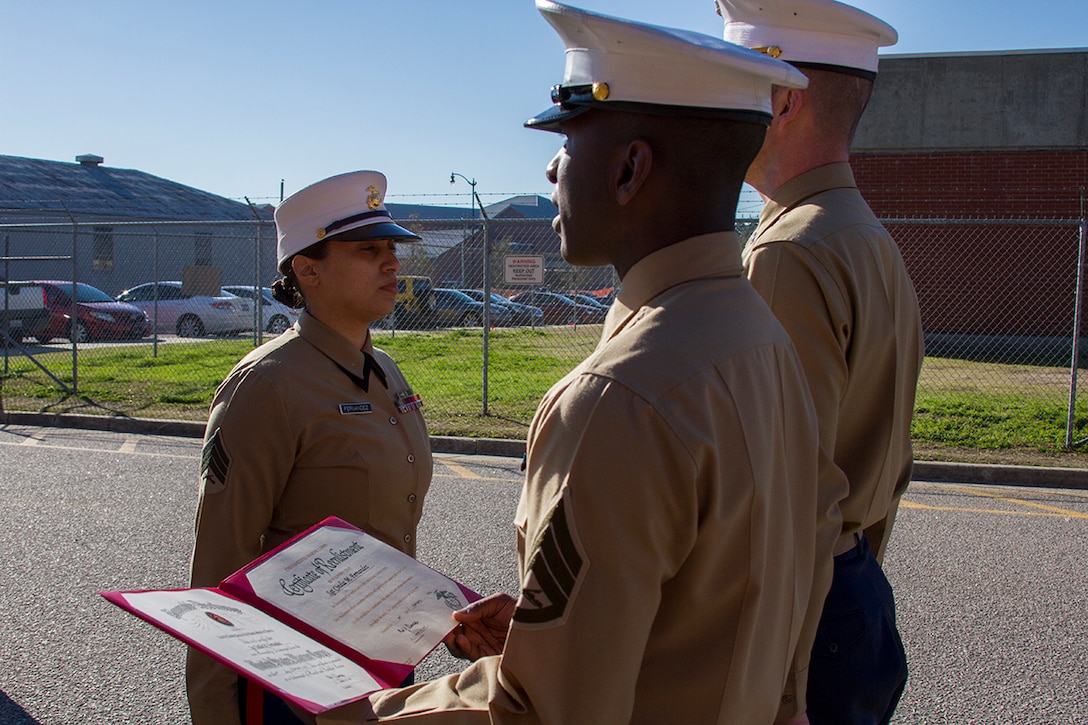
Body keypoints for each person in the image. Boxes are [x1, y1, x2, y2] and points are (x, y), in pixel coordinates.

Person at [308, 2, 835, 723]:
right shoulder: (762, 342)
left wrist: (363, 716)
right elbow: (729, 616)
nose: (552, 164)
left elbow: (541, 709)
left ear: (629, 168)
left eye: (570, 137)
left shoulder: (619, 395)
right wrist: (541, 627)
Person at [716, 1, 926, 723]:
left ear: (782, 101)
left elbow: (794, 491)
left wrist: (785, 684)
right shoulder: (863, 234)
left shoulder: (789, 250)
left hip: (813, 611)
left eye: (737, 86)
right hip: (853, 586)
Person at [186, 171, 433, 725]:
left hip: (384, 655)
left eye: (392, 248)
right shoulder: (268, 384)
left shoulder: (386, 371)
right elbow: (221, 557)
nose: (393, 263)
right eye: (369, 250)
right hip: (297, 673)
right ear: (307, 268)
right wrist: (214, 707)